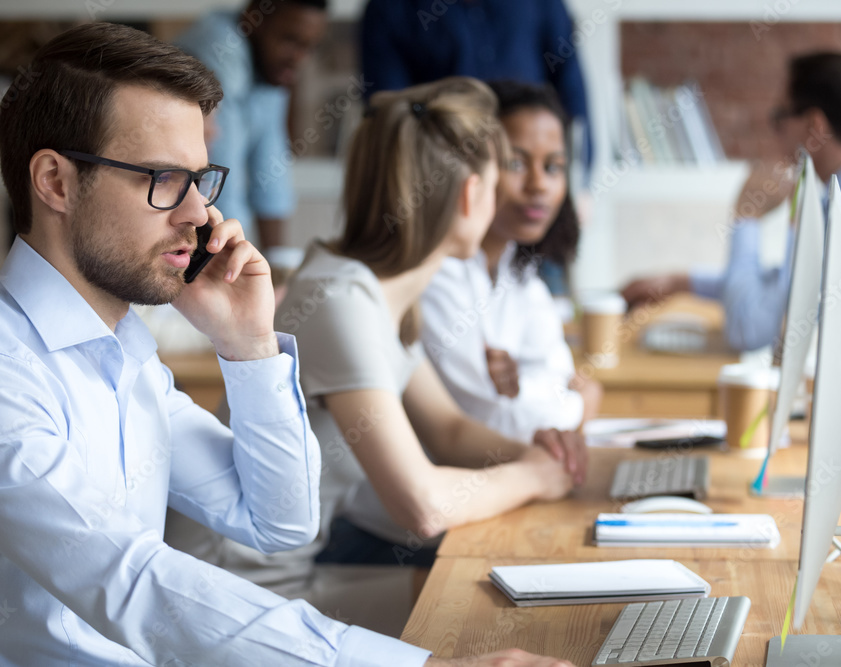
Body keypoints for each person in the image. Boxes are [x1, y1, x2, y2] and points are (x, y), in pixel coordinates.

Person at [0, 23, 573, 667]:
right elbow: (134, 585)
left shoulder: (123, 354)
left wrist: (250, 345)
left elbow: (280, 520)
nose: (200, 215)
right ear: (56, 181)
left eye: (200, 180)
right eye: (162, 180)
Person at [166, 76, 586, 640]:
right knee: (497, 620)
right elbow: (423, 506)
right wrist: (537, 476)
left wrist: (542, 454)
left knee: (500, 606)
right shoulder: (343, 299)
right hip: (234, 605)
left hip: (284, 581)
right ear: (470, 194)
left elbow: (452, 430)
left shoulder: (380, 294)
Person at [622, 51, 841, 383]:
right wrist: (682, 283)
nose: (775, 134)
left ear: (814, 126)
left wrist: (746, 215)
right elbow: (784, 289)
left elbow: (750, 326)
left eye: (779, 117)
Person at [420, 81, 602, 442]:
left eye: (553, 167)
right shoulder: (435, 274)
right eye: (516, 163)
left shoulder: (520, 275)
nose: (538, 185)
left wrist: (523, 388)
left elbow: (557, 374)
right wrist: (584, 404)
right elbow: (490, 421)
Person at [360, 0, 592, 176]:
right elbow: (389, 113)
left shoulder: (542, 4)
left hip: (526, 174)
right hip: (442, 176)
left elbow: (570, 85)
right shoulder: (390, 7)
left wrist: (580, 177)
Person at [176, 0, 328, 249]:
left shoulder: (271, 67)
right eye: (290, 40)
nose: (299, 59)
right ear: (253, 18)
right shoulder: (219, 48)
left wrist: (278, 263)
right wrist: (239, 263)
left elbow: (270, 170)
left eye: (309, 47)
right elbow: (222, 179)